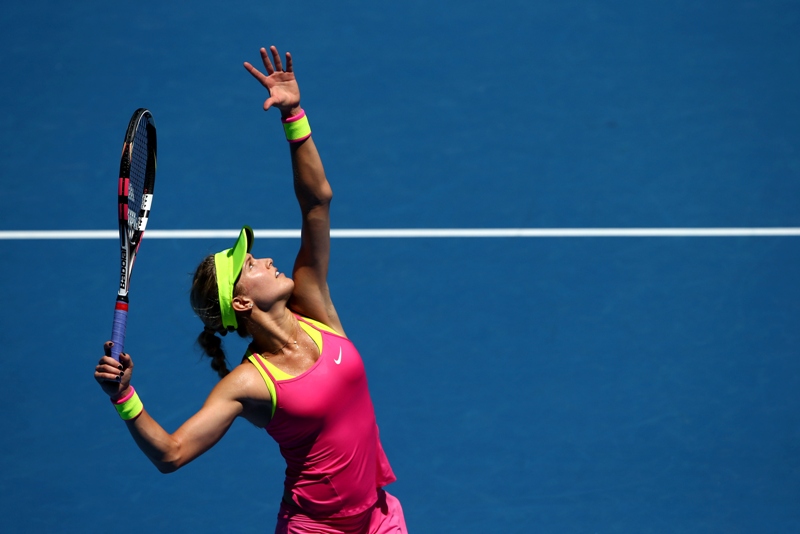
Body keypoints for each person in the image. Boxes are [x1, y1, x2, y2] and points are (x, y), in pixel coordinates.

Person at [95, 45, 407, 534]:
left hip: (379, 518)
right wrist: (124, 395)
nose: (264, 258)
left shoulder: (314, 305)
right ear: (240, 302)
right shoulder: (249, 384)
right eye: (250, 265)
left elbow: (317, 204)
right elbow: (172, 454)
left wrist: (293, 114)